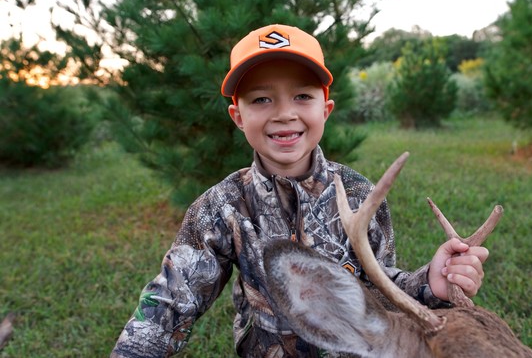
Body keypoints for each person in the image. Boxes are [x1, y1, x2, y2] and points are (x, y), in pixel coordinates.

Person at [111, 24, 489, 358]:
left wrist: (429, 283)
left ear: (325, 109)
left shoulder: (361, 195)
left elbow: (381, 286)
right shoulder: (221, 207)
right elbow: (171, 302)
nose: (284, 113)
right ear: (238, 117)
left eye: (302, 96)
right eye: (261, 99)